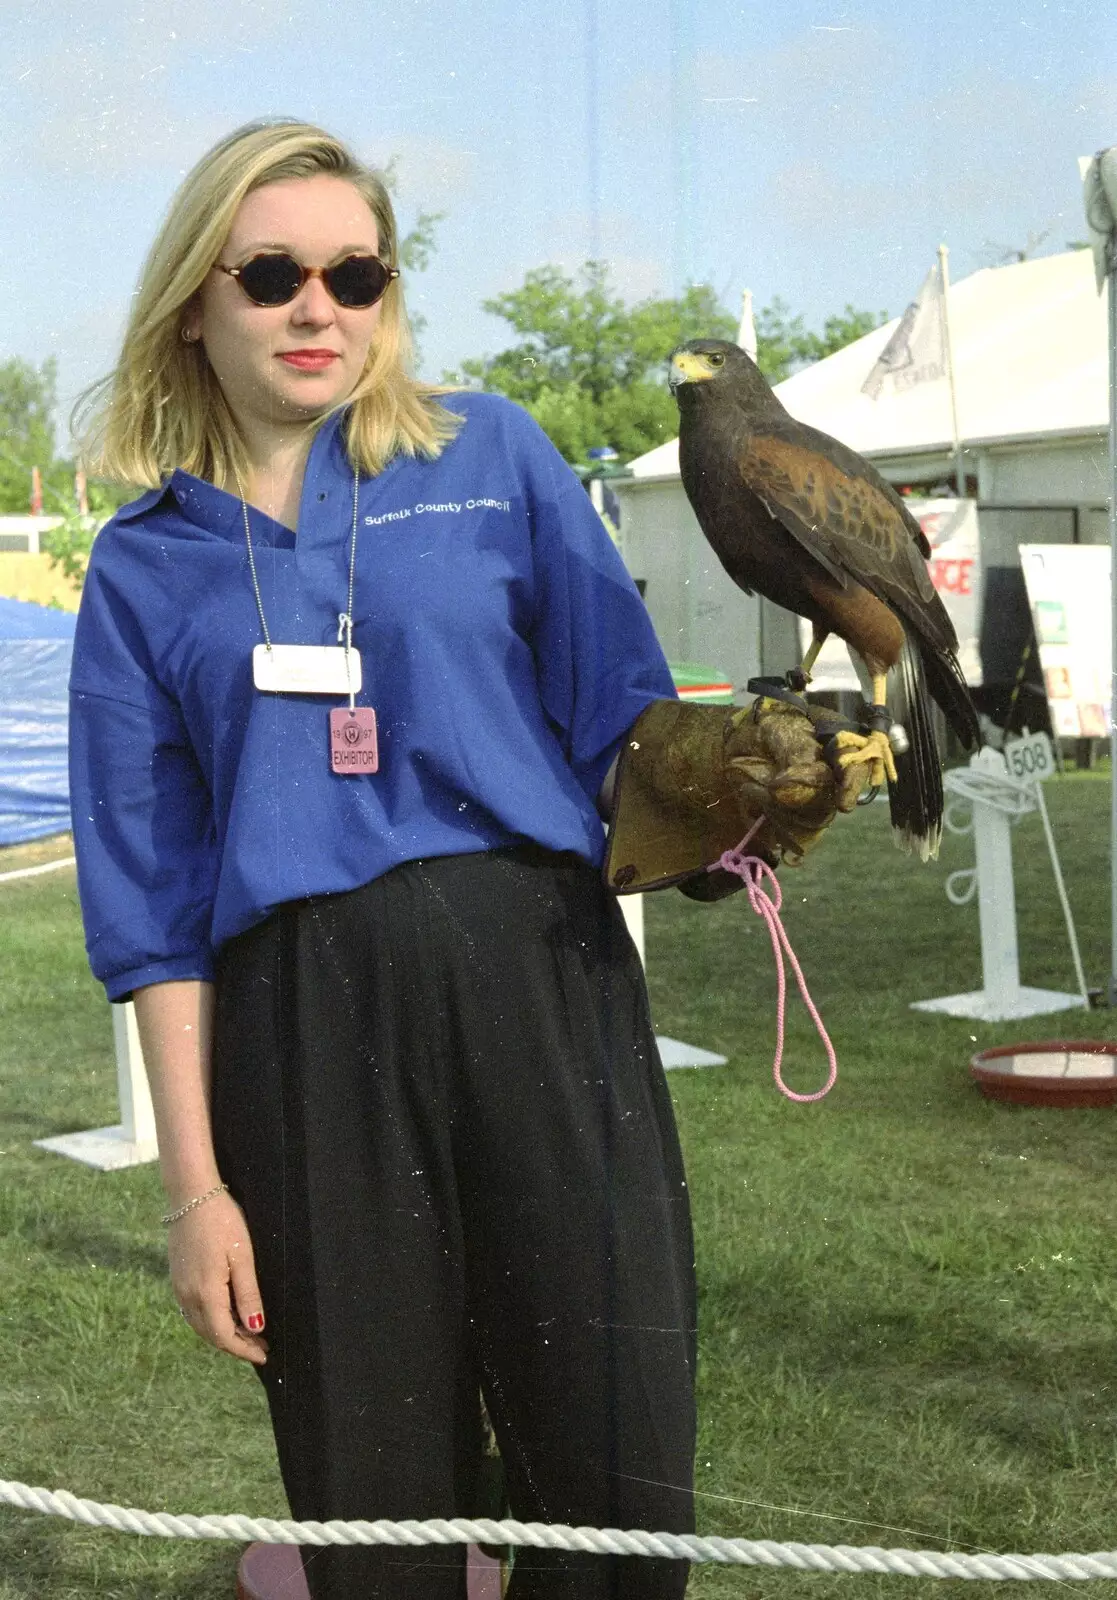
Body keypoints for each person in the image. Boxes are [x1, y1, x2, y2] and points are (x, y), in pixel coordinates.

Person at [68, 120, 861, 1600]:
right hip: (301, 1030)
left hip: (538, 972)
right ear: (197, 298)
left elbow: (621, 726)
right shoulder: (143, 561)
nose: (321, 308)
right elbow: (152, 902)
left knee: (617, 1468)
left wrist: (724, 794)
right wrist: (196, 1189)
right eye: (275, 274)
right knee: (375, 1505)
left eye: (356, 275)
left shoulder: (488, 451)